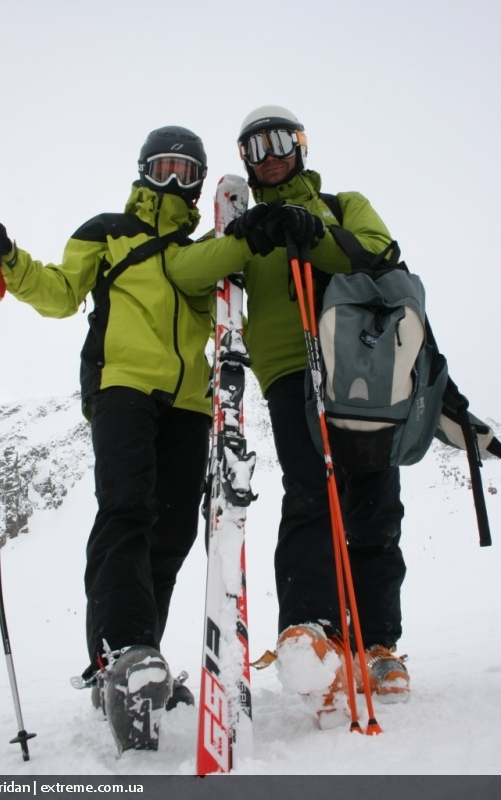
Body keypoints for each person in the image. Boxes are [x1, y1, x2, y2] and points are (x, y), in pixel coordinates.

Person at [0, 126, 213, 752]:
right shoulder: (107, 231)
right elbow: (59, 292)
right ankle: (121, 650)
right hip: (122, 385)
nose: (174, 180)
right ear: (143, 170)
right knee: (127, 509)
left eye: (187, 171)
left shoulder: (201, 254)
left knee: (172, 532)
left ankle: (143, 659)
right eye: (164, 167)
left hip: (191, 402)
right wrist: (9, 259)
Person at [168, 106, 410, 728]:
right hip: (288, 371)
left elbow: (378, 254)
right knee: (311, 488)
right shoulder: (248, 225)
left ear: (301, 147)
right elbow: (187, 272)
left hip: (358, 367)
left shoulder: (341, 205)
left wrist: (314, 232)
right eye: (255, 147)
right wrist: (245, 238)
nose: (270, 155)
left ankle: (377, 642)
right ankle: (313, 628)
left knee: (373, 497)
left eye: (281, 141)